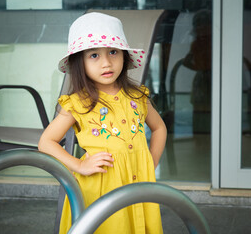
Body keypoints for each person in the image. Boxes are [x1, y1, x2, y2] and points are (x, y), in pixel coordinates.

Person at [38, 12, 167, 234]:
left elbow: (159, 128)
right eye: (94, 55)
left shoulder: (138, 97)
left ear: (124, 56)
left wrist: (150, 162)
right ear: (80, 62)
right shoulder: (77, 103)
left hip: (138, 185)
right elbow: (46, 142)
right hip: (99, 189)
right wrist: (79, 165)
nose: (107, 62)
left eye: (113, 52)